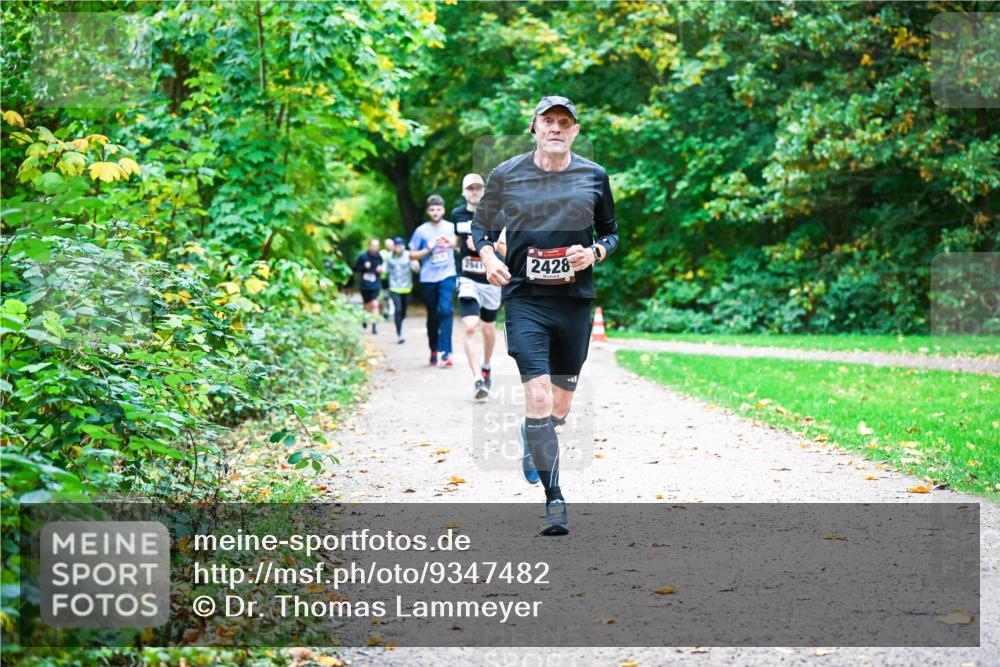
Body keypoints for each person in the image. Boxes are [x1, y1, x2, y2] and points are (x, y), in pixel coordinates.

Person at [471, 95, 618, 536]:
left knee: (559, 405)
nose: (556, 127)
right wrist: (488, 256)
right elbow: (481, 226)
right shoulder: (507, 175)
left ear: (574, 131)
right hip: (524, 299)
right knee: (536, 397)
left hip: (574, 301)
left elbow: (611, 234)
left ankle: (534, 435)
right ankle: (555, 500)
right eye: (547, 121)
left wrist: (592, 252)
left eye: (564, 122)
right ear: (534, 128)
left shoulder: (594, 176)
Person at [453, 173, 504, 399]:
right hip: (467, 279)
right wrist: (454, 246)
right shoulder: (457, 215)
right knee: (471, 327)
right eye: (470, 189)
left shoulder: (496, 215)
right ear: (464, 191)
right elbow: (456, 242)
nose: (474, 192)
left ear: (484, 191)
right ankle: (477, 380)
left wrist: (484, 244)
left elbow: (503, 244)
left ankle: (486, 365)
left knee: (488, 329)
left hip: (490, 279)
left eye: (478, 188)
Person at [408, 195, 458, 367]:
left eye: (438, 209)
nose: (435, 212)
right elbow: (411, 254)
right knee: (433, 315)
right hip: (428, 277)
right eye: (432, 209)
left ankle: (447, 352)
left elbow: (461, 247)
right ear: (428, 211)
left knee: (445, 309)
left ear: (443, 210)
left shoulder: (452, 228)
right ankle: (434, 349)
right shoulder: (421, 231)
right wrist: (427, 250)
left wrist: (450, 244)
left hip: (447, 273)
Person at [386, 236, 414, 343]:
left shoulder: (408, 255)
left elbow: (415, 268)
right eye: (396, 245)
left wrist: (416, 266)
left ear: (403, 246)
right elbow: (385, 269)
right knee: (397, 309)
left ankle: (399, 323)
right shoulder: (389, 257)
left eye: (400, 245)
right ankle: (399, 334)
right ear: (393, 246)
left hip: (406, 288)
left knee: (403, 313)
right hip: (394, 288)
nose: (398, 248)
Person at [354, 238, 384, 334]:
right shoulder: (363, 257)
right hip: (365, 285)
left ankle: (374, 327)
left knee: (375, 304)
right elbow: (355, 269)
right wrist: (363, 267)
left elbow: (381, 269)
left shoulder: (379, 257)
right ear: (369, 246)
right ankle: (365, 319)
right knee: (367, 305)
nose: (375, 248)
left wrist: (380, 270)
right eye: (373, 246)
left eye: (377, 246)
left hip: (375, 284)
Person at [380, 238, 395, 322]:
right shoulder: (381, 253)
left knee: (393, 295)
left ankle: (391, 312)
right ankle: (385, 310)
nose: (389, 246)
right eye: (387, 244)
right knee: (385, 296)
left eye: (391, 244)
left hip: (394, 278)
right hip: (384, 278)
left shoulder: (396, 253)